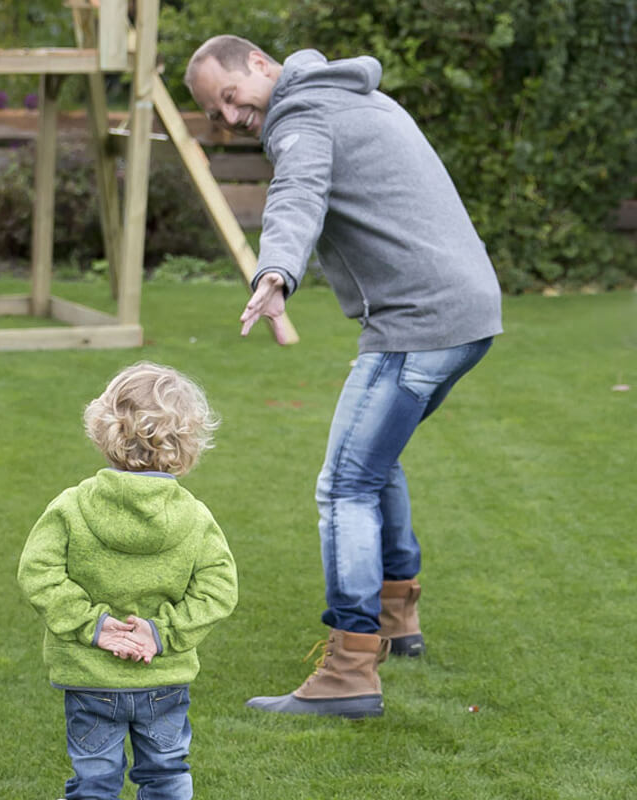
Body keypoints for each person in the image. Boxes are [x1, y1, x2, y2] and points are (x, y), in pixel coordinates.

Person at [184, 36, 503, 719]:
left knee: (345, 483)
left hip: (420, 322)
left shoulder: (302, 118)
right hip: (468, 314)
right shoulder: (359, 94)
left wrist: (276, 271)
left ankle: (350, 670)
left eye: (233, 99)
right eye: (219, 113)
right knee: (375, 464)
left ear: (262, 66)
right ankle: (397, 618)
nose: (234, 119)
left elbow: (296, 196)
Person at [17, 362, 238, 800]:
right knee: (166, 777)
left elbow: (37, 572)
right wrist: (162, 633)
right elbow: (219, 588)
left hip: (89, 678)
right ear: (188, 445)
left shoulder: (71, 506)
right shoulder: (194, 516)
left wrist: (93, 626)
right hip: (163, 676)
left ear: (104, 430)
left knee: (94, 782)